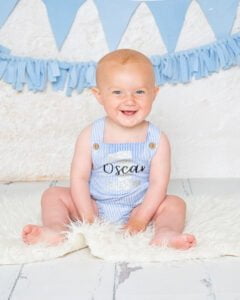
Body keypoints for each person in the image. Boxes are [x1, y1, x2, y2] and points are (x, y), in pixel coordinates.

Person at [22, 49, 196, 249]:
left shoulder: (157, 139)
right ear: (99, 95)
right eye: (117, 92)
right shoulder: (90, 135)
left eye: (139, 91)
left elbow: (158, 183)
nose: (129, 100)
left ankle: (165, 233)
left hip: (139, 206)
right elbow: (79, 178)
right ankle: (55, 230)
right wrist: (88, 216)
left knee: (175, 204)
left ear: (154, 94)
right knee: (52, 195)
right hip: (94, 204)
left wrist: (140, 218)